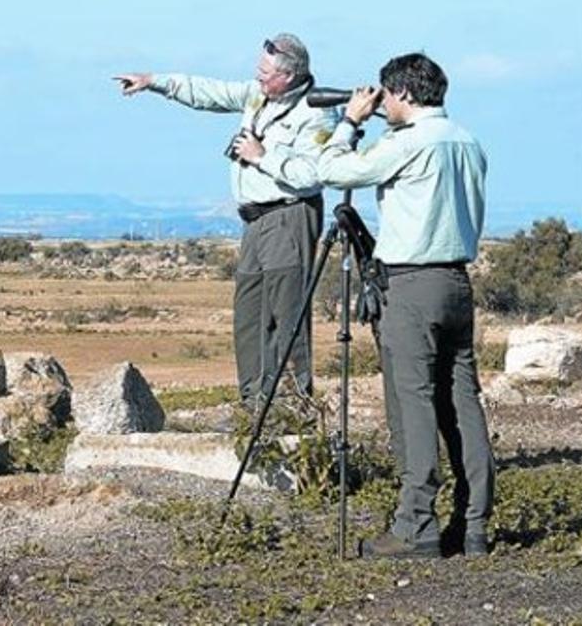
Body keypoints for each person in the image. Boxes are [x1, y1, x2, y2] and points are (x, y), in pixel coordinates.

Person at [276, 52, 494, 558]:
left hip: (412, 286)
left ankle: (416, 527)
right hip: (457, 282)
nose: (382, 102)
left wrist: (351, 120)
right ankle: (475, 524)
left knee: (411, 404)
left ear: (404, 94)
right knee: (462, 403)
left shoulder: (407, 143)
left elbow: (334, 172)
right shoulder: (468, 140)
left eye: (385, 94)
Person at [115, 34, 338, 411]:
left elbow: (313, 174)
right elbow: (210, 92)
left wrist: (261, 156)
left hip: (289, 215)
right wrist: (155, 82)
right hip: (254, 220)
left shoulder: (316, 112)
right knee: (249, 315)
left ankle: (293, 405)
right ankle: (254, 404)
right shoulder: (257, 95)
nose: (258, 76)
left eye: (265, 72)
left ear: (289, 75)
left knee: (286, 315)